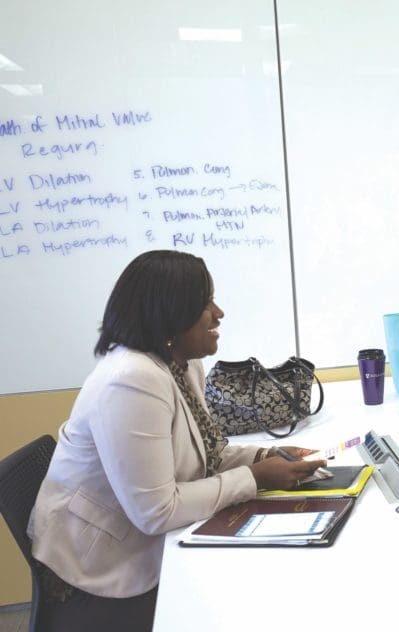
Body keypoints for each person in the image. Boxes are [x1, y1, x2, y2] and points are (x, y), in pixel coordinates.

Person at [28, 250, 327, 631]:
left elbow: (209, 454)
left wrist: (267, 455)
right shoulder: (130, 380)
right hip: (101, 575)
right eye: (205, 303)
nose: (219, 313)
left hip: (141, 547)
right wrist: (257, 477)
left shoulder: (180, 363)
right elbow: (157, 512)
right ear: (168, 313)